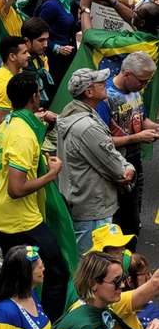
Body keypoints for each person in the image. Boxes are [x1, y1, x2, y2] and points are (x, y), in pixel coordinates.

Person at [0, 72, 69, 322]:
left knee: (17, 278)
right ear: (34, 97)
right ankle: (47, 328)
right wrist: (51, 174)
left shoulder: (6, 125)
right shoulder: (23, 134)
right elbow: (16, 189)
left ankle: (11, 322)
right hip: (20, 221)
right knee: (57, 272)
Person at [57, 69, 135, 254]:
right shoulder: (88, 127)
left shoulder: (72, 113)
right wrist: (128, 168)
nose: (105, 85)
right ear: (88, 92)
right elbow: (114, 166)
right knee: (93, 262)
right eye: (100, 83)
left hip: (80, 197)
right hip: (93, 205)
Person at [103, 51, 159, 237]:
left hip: (135, 159)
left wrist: (155, 128)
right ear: (127, 74)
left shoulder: (136, 91)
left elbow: (141, 119)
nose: (145, 85)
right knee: (119, 219)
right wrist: (137, 138)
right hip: (115, 164)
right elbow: (101, 141)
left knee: (133, 215)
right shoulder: (106, 97)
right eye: (142, 81)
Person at [37, 0, 79, 92]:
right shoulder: (51, 6)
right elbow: (37, 33)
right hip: (54, 62)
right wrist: (57, 48)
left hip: (65, 58)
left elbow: (67, 26)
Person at [21, 17, 54, 108]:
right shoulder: (17, 65)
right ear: (27, 41)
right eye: (41, 40)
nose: (46, 44)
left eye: (46, 39)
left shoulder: (42, 57)